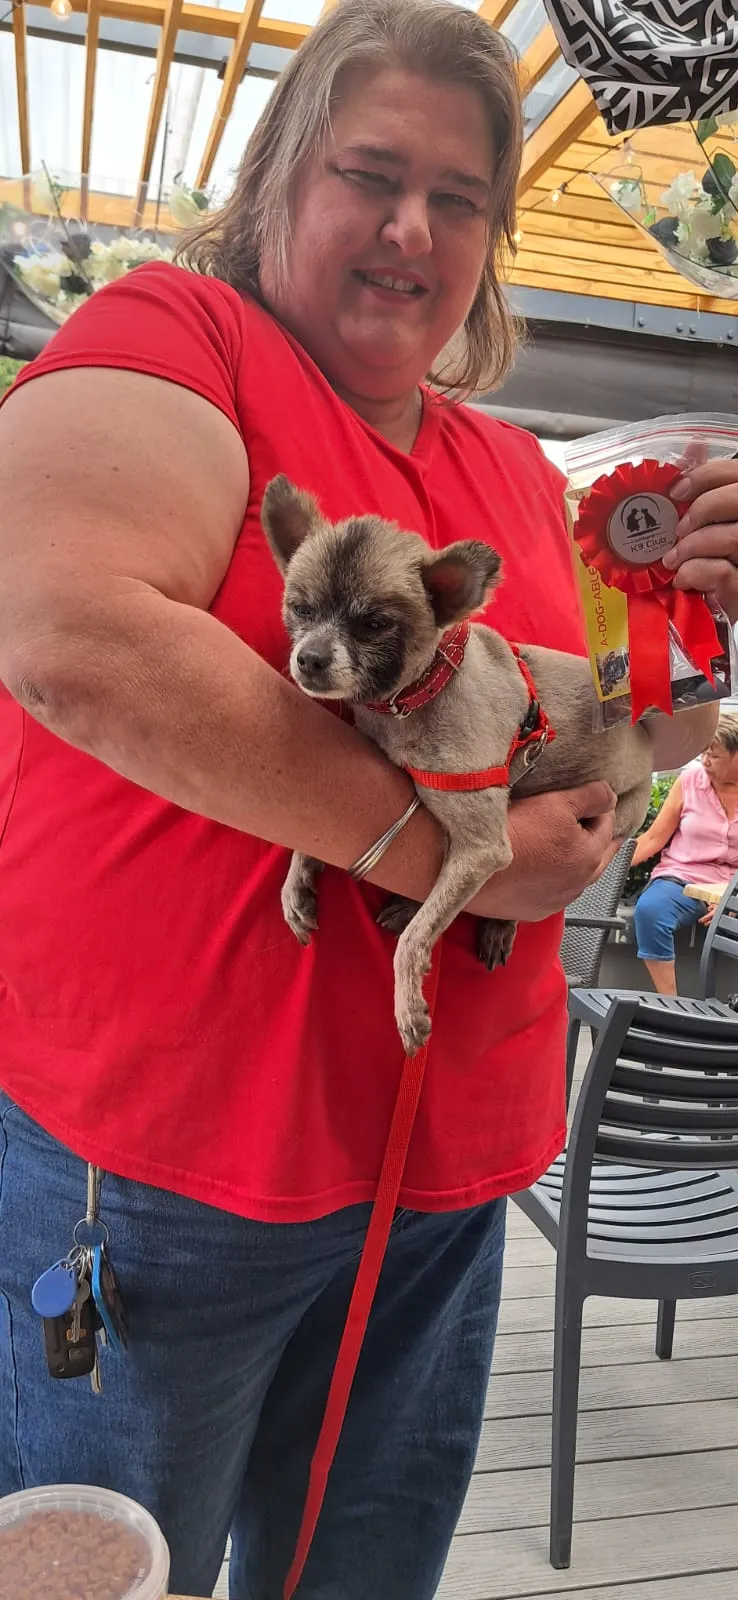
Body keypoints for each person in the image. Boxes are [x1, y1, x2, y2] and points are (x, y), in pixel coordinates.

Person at [0, 2, 734, 1595]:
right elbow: (69, 635)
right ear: (279, 176)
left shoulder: (513, 477)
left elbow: (630, 731)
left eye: (458, 199)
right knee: (120, 1568)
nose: (413, 229)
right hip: (182, 1175)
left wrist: (702, 634)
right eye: (371, 175)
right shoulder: (169, 335)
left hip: (451, 1174)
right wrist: (448, 848)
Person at [632, 712, 738, 995]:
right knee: (650, 911)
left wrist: (731, 901)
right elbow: (653, 839)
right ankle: (669, 1002)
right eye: (703, 753)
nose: (705, 761)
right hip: (682, 879)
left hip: (732, 886)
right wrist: (603, 864)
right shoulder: (689, 782)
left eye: (714, 755)